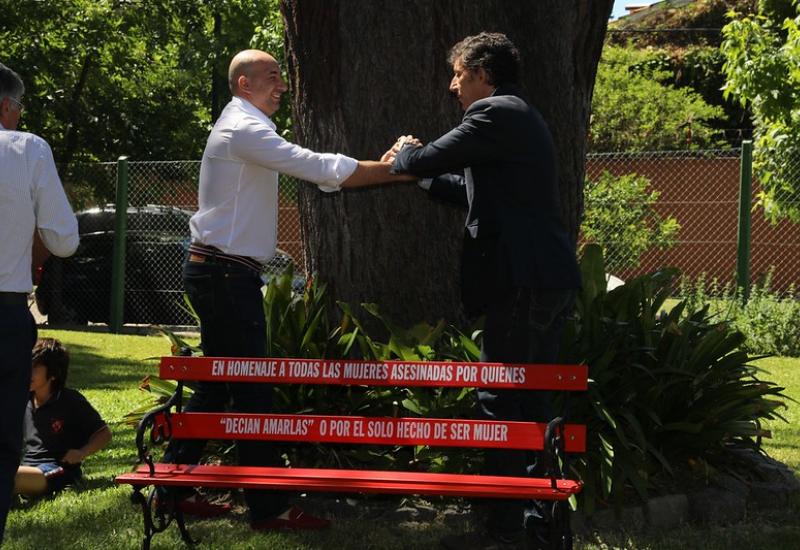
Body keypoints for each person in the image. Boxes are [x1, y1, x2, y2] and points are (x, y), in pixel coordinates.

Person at [162, 49, 412, 531]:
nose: (282, 85)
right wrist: (394, 168)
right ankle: (267, 507)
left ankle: (173, 488)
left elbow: (318, 169)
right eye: (272, 77)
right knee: (251, 387)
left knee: (216, 384)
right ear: (243, 85)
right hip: (225, 276)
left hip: (221, 273)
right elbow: (314, 166)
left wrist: (380, 167)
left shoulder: (246, 126)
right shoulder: (245, 129)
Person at [388, 33, 582, 549]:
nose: (452, 85)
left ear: (482, 73)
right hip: (542, 277)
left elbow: (424, 158)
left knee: (502, 397)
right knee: (530, 397)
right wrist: (426, 179)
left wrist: (407, 156)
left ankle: (507, 525)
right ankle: (539, 519)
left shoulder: (494, 113)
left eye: (458, 73)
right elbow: (467, 189)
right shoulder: (514, 117)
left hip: (524, 281)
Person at [0, 63, 79, 543]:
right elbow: (64, 239)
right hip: (3, 312)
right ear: (7, 106)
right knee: (3, 437)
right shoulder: (26, 147)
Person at [14, 338, 112, 498]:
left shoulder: (70, 401)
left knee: (8, 476)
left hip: (56, 470)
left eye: (34, 368)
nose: (27, 372)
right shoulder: (22, 399)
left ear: (53, 373)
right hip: (26, 468)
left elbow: (104, 434)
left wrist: (82, 452)